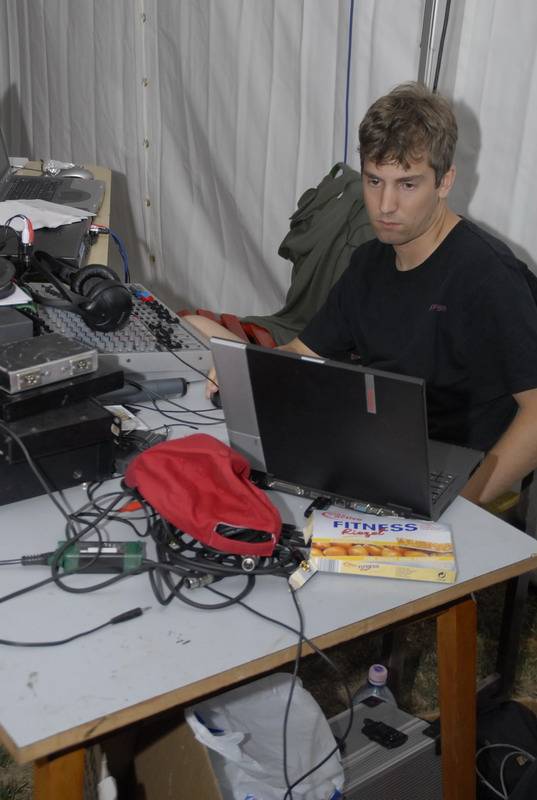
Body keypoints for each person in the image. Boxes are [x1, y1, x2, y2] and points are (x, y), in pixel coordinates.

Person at [186, 82, 537, 507]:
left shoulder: (488, 275)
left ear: (445, 182)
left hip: (460, 478)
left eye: (407, 185)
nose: (385, 205)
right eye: (374, 181)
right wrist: (245, 370)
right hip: (377, 458)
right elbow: (303, 353)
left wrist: (465, 503)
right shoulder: (370, 262)